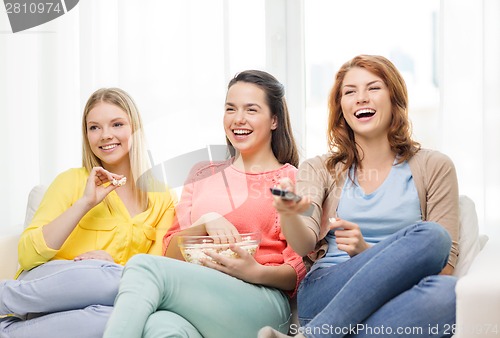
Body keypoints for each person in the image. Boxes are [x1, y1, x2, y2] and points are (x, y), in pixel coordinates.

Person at [258, 55, 459, 338]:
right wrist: (289, 214)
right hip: (328, 288)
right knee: (435, 239)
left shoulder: (434, 166)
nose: (361, 98)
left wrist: (369, 253)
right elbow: (303, 243)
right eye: (350, 92)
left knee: (441, 268)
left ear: (394, 98)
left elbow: (444, 267)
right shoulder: (319, 168)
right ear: (341, 106)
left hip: (398, 295)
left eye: (373, 88)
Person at [102, 70, 307, 338]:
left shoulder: (289, 178)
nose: (238, 119)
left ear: (274, 120)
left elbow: (297, 270)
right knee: (160, 327)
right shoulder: (202, 173)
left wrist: (254, 271)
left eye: (251, 110)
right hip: (202, 297)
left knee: (142, 266)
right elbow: (171, 254)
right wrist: (204, 222)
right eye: (230, 109)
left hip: (261, 301)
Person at [0, 88, 175, 338]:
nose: (105, 135)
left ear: (135, 128)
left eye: (116, 124)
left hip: (104, 303)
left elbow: (155, 273)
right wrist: (84, 203)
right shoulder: (71, 181)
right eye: (94, 128)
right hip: (46, 289)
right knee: (105, 278)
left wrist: (114, 266)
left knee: (117, 317)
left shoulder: (163, 197)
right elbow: (28, 255)